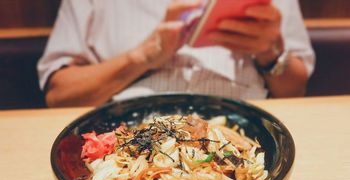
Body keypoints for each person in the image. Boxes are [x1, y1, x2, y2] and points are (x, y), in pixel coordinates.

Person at [38, 0, 315, 107]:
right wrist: (142, 57)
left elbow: (295, 91)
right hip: (122, 134)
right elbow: (59, 96)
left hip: (250, 131)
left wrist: (270, 52)